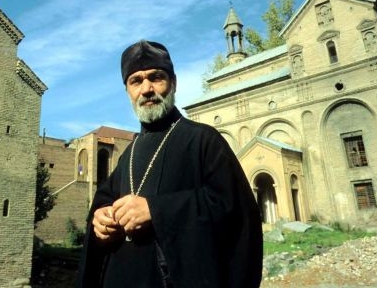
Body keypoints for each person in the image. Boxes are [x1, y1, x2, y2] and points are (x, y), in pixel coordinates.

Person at [77, 40, 263, 287]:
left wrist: (156, 210)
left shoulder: (204, 140)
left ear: (173, 83)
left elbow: (236, 212)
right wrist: (100, 219)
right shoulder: (128, 154)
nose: (146, 89)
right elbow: (104, 200)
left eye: (156, 77)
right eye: (136, 81)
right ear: (128, 92)